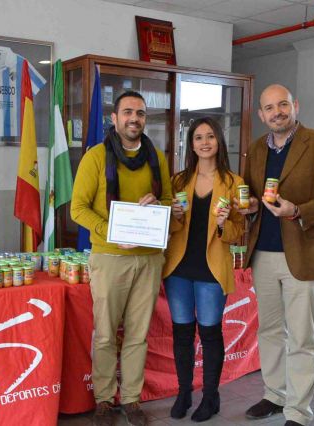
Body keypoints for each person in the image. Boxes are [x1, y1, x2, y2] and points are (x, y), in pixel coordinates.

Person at [236, 84, 314, 426]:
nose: (277, 113)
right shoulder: (256, 149)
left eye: (283, 105)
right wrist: (253, 206)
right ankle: (275, 395)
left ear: (295, 106)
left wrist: (298, 210)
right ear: (261, 115)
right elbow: (252, 196)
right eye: (269, 108)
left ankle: (298, 412)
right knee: (269, 331)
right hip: (264, 255)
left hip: (304, 252)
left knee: (302, 337)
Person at [71, 90, 172, 426]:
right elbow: (78, 209)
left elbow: (170, 204)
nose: (134, 118)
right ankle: (103, 399)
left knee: (138, 334)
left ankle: (131, 399)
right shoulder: (96, 157)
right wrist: (111, 232)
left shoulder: (157, 157)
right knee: (104, 334)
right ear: (114, 119)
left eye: (140, 113)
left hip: (149, 259)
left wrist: (159, 207)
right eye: (128, 112)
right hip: (110, 258)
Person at [162, 117, 245, 422]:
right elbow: (168, 228)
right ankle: (184, 393)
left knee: (209, 333)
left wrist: (226, 225)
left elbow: (240, 230)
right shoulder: (178, 181)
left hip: (212, 268)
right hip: (179, 268)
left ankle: (210, 396)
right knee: (182, 333)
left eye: (210, 136)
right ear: (191, 144)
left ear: (219, 141)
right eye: (198, 137)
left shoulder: (234, 182)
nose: (205, 142)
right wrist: (175, 216)